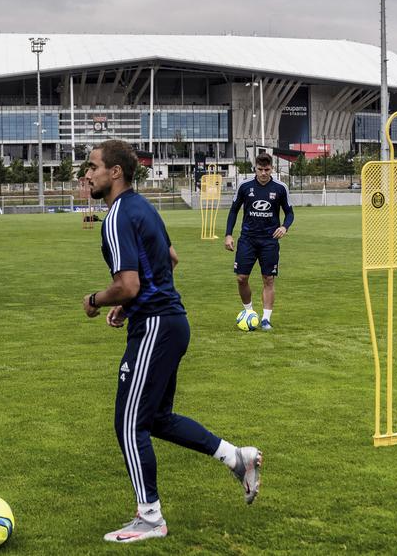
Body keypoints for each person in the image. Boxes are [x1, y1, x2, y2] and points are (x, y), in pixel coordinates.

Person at [81, 139, 262, 544]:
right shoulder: (143, 207)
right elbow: (171, 259)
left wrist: (96, 301)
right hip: (170, 322)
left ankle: (150, 519)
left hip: (156, 327)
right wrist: (132, 304)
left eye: (92, 166)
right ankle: (237, 458)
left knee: (128, 424)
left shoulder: (117, 216)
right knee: (156, 418)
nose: (86, 174)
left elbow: (128, 283)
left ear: (115, 173)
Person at [224, 152, 294, 330]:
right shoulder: (244, 186)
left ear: (272, 169)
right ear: (255, 168)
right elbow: (233, 211)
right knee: (241, 278)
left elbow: (290, 213)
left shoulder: (280, 187)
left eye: (267, 169)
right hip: (247, 239)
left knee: (268, 279)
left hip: (269, 241)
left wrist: (284, 227)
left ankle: (266, 319)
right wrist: (228, 234)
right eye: (260, 169)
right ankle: (249, 312)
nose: (263, 173)